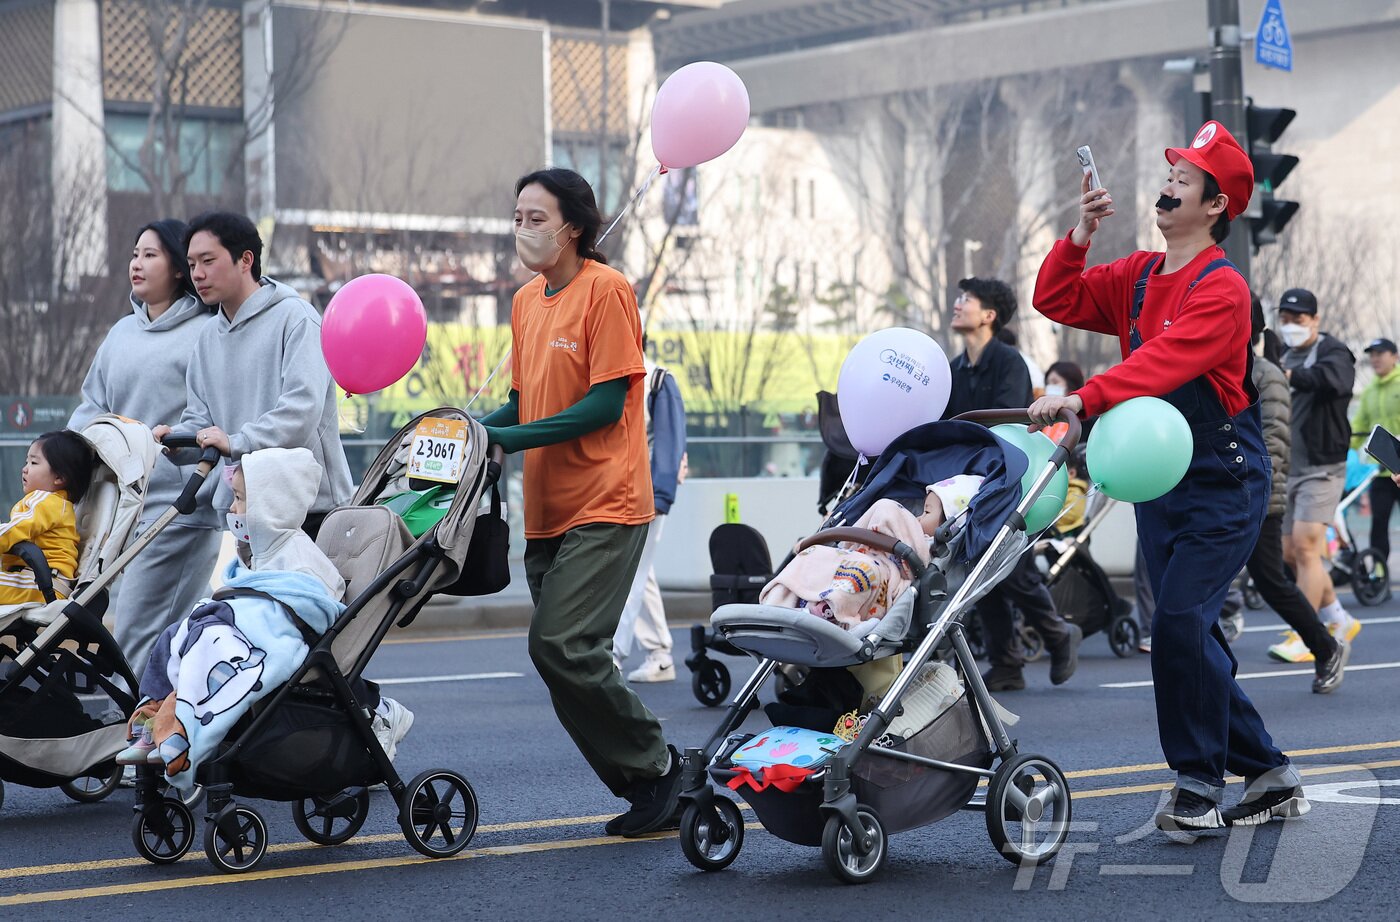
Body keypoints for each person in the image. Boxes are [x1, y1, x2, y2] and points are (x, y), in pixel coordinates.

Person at [1030, 120, 1305, 832]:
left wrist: (1083, 398)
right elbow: (1054, 300)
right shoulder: (1138, 275)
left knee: (1179, 622)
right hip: (1159, 482)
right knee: (1190, 634)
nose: (1168, 184)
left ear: (1215, 206)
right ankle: (1270, 774)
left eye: (1185, 179)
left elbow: (1163, 361)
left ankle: (1197, 782)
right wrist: (1080, 236)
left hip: (1223, 477)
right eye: (1172, 173)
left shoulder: (1224, 291)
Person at [479, 168, 680, 839]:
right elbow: (523, 400)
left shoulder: (608, 290)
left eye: (536, 218)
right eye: (516, 217)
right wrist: (473, 431)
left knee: (562, 642)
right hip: (545, 507)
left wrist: (506, 435)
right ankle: (647, 781)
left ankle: (658, 766)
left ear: (574, 227)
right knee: (559, 656)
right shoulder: (525, 301)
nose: (522, 230)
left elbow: (604, 404)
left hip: (608, 499)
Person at [69, 219, 221, 672]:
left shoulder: (206, 333)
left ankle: (129, 732)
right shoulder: (121, 333)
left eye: (150, 254)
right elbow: (92, 405)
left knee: (136, 630)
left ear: (178, 267)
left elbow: (210, 415)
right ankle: (189, 718)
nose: (136, 264)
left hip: (176, 507)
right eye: (135, 254)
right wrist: (70, 451)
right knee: (173, 629)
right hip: (119, 506)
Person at [152, 212, 353, 540]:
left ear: (246, 260)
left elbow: (300, 412)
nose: (197, 274)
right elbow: (201, 420)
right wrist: (178, 441)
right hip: (242, 508)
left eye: (208, 261)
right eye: (191, 264)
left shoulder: (297, 319)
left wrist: (235, 442)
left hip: (310, 509)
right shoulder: (207, 336)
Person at [944, 276, 1082, 692]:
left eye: (965, 300)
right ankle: (1008, 663)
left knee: (1010, 567)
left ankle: (1057, 635)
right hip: (969, 480)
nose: (957, 304)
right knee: (977, 570)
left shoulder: (1009, 363)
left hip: (1008, 478)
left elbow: (1008, 426)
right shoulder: (955, 369)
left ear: (989, 315)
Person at [1243, 297, 1345, 691]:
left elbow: (1274, 443)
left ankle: (1324, 646)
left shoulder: (1267, 375)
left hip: (1262, 493)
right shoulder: (1208, 369)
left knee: (1280, 571)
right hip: (1217, 494)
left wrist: (1250, 487)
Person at [1276, 287, 1361, 655]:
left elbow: (1337, 382)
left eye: (1299, 320)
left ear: (1315, 320)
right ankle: (1338, 618)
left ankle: (1308, 636)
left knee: (1308, 546)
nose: (1291, 326)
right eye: (1285, 320)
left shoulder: (1332, 352)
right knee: (1289, 553)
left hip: (1323, 466)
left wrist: (1292, 375)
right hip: (1286, 466)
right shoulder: (1279, 353)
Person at [612, 350, 688, 683]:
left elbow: (669, 443)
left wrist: (660, 494)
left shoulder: (657, 378)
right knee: (640, 570)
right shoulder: (611, 369)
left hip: (644, 491)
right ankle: (659, 654)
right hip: (619, 489)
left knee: (629, 570)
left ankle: (611, 656)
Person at [0, 432, 94, 604]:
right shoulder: (57, 504)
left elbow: (16, 529)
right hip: (43, 582)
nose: (25, 468)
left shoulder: (46, 501)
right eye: (26, 461)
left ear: (59, 477)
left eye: (34, 462)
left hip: (43, 584)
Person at [1349, 337, 1400, 575]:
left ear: (1395, 356)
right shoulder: (1368, 392)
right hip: (1378, 470)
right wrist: (1342, 449)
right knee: (1378, 523)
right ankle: (1378, 574)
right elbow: (1359, 428)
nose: (1375, 358)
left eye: (1381, 353)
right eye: (1372, 354)